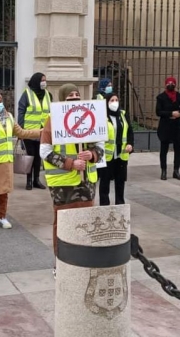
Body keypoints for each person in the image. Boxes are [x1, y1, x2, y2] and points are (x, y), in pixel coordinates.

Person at [41, 84, 104, 268]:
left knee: (86, 222)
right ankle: (60, 264)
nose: (74, 97)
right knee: (64, 223)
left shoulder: (89, 117)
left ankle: (84, 260)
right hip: (63, 183)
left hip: (87, 182)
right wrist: (70, 163)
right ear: (62, 98)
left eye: (77, 94)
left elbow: (100, 145)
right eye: (70, 95)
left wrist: (92, 155)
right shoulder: (52, 120)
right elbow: (45, 151)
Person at [0, 91, 41, 231]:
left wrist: (41, 131)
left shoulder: (9, 117)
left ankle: (2, 217)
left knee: (3, 192)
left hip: (5, 162)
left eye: (0, 101)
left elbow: (22, 133)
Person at [18, 72, 52, 190]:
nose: (44, 82)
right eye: (42, 80)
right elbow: (21, 112)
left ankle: (36, 179)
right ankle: (29, 181)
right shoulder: (27, 94)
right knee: (30, 156)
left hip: (43, 132)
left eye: (45, 80)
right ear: (37, 81)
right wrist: (20, 130)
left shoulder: (48, 94)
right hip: (29, 132)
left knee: (38, 157)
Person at [98, 92, 134, 206]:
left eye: (116, 100)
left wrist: (130, 144)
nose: (114, 103)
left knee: (120, 180)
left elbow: (129, 131)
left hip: (121, 154)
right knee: (105, 182)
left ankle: (120, 203)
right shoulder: (102, 116)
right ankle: (104, 205)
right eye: (111, 100)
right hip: (107, 155)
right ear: (106, 102)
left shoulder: (122, 114)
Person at [156, 76, 180, 181]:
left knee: (178, 150)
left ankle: (176, 171)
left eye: (172, 83)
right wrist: (170, 113)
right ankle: (163, 171)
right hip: (165, 127)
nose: (170, 85)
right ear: (165, 85)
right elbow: (158, 112)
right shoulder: (161, 97)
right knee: (163, 150)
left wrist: (179, 114)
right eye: (168, 83)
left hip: (177, 127)